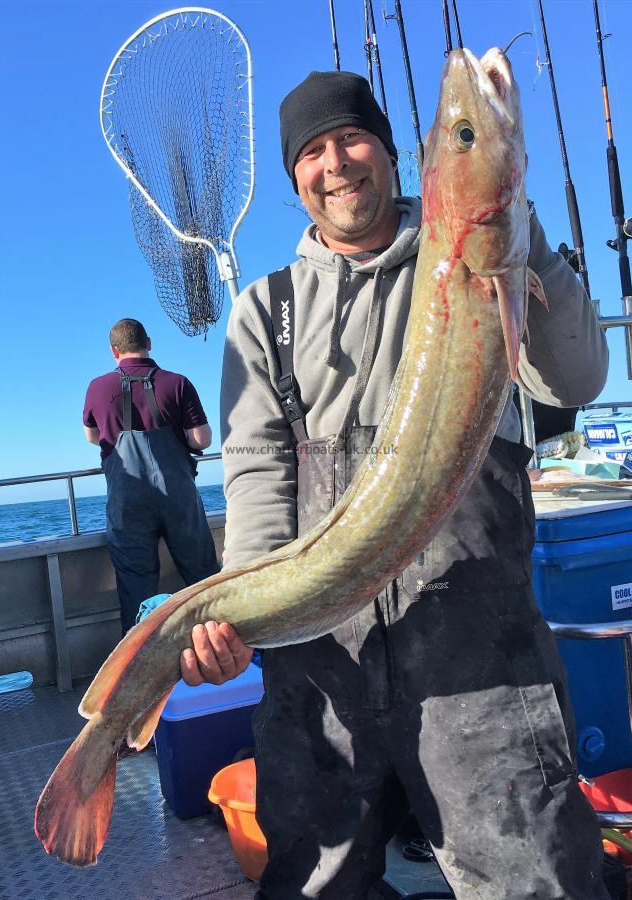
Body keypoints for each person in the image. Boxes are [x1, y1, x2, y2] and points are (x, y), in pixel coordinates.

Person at [180, 71, 610, 899]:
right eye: (310, 151)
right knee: (314, 884)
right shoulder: (263, 313)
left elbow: (580, 379)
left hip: (484, 668)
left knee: (536, 880)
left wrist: (517, 230)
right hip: (319, 678)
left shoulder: (494, 255)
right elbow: (260, 492)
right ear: (294, 179)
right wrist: (240, 621)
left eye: (351, 138)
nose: (334, 163)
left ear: (391, 152)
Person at [83, 318, 219, 635]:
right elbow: (202, 439)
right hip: (179, 497)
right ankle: (219, 654)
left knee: (135, 590)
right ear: (149, 343)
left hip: (127, 500)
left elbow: (92, 437)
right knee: (204, 580)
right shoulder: (178, 383)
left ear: (114, 351)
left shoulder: (97, 387)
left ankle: (141, 671)